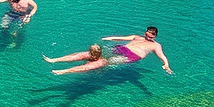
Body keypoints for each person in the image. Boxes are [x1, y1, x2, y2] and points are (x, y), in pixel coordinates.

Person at [43, 27, 173, 75]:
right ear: (145, 32)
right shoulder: (136, 37)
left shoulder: (156, 46)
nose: (148, 37)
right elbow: (121, 38)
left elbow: (162, 56)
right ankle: (55, 60)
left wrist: (166, 64)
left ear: (155, 36)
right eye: (147, 34)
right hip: (120, 49)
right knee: (92, 53)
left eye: (151, 36)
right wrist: (109, 38)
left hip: (131, 57)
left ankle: (64, 71)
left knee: (103, 62)